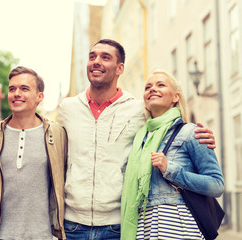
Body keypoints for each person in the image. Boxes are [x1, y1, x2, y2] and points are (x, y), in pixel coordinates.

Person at [57, 39, 216, 240]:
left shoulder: (139, 110)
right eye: (92, 56)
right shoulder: (68, 108)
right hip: (72, 224)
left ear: (120, 68)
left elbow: (167, 127)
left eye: (105, 57)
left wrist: (202, 136)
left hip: (118, 225)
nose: (96, 61)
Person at [120, 70, 225, 239]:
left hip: (178, 227)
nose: (152, 89)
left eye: (161, 85)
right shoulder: (140, 139)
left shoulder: (191, 132)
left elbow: (216, 185)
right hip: (145, 225)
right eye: (148, 87)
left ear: (176, 97)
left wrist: (171, 170)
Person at [0, 66, 67, 240]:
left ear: (39, 96)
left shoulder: (57, 133)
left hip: (42, 235)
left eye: (24, 89)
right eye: (12, 89)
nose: (17, 93)